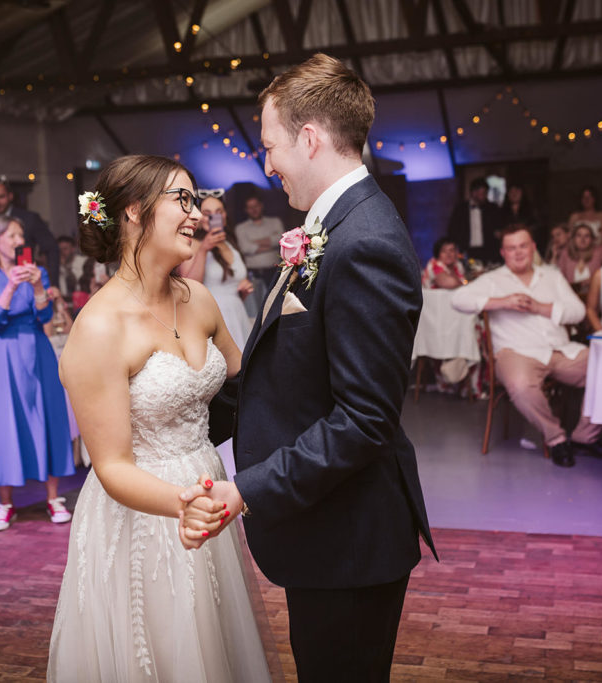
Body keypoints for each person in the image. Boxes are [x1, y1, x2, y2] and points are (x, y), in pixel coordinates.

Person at [180, 53, 434, 682]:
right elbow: (289, 372)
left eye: (270, 147)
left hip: (348, 538)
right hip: (324, 528)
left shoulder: (364, 239)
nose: (266, 164)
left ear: (311, 139)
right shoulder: (333, 226)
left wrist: (247, 489)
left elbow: (364, 420)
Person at [48, 155, 272, 682]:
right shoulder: (99, 327)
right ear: (133, 212)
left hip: (207, 493)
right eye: (183, 199)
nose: (198, 214)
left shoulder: (198, 299)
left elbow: (252, 385)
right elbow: (110, 465)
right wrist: (184, 505)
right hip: (146, 513)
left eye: (197, 201)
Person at [452, 224, 602, 468]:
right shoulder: (492, 280)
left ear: (533, 248)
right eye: (511, 248)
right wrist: (502, 302)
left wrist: (540, 307)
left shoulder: (552, 276)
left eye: (523, 246)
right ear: (503, 253)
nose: (518, 252)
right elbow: (457, 299)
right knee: (520, 385)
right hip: (516, 353)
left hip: (560, 350)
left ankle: (584, 436)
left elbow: (578, 311)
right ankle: (556, 438)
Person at [0, 216, 74, 531]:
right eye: (11, 235)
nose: (18, 240)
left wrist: (38, 284)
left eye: (20, 234)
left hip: (37, 349)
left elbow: (43, 313)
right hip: (1, 354)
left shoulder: (37, 271)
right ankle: (5, 504)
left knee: (47, 417)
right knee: (5, 424)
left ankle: (53, 499)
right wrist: (13, 284)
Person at [178, 194, 255, 350]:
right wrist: (204, 249)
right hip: (212, 315)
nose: (214, 217)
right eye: (207, 214)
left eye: (219, 212)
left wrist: (244, 290)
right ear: (199, 217)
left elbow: (234, 285)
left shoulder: (231, 243)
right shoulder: (193, 244)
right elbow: (189, 285)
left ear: (225, 215)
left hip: (237, 312)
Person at [0, 176, 60, 285]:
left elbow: (52, 249)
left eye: (1, 197)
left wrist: (54, 284)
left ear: (10, 196)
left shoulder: (29, 219)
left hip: (26, 280)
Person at [447, 176, 503, 263]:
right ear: (473, 192)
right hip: (467, 251)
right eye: (481, 193)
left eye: (485, 193)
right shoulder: (461, 208)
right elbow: (452, 230)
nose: (484, 196)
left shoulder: (493, 208)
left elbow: (498, 229)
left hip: (488, 251)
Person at [233, 195, 284, 284]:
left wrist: (254, 242)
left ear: (261, 206)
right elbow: (245, 248)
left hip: (275, 272)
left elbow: (281, 241)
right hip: (253, 274)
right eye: (250, 207)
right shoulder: (240, 228)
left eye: (256, 206)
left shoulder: (275, 222)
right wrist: (271, 245)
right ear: (246, 210)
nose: (254, 209)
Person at [556, 222, 602, 295]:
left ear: (592, 239)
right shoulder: (565, 253)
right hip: (570, 295)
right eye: (579, 235)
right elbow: (559, 277)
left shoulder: (598, 252)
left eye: (587, 236)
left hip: (594, 295)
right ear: (573, 238)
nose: (582, 239)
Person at [56, 235, 86, 301]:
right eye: (59, 250)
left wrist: (66, 267)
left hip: (82, 300)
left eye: (65, 249)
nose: (62, 253)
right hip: (66, 301)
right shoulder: (57, 266)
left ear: (73, 249)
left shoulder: (83, 262)